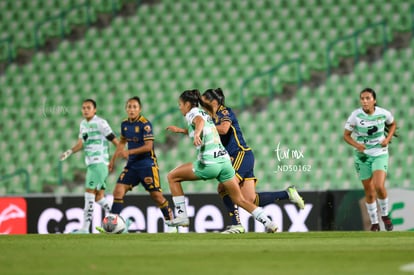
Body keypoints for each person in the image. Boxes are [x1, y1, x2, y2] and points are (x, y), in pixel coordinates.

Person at [166, 89, 278, 233]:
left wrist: (197, 135)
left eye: (180, 104)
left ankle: (181, 217)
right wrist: (182, 131)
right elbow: (204, 126)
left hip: (209, 163)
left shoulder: (192, 113)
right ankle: (269, 223)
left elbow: (198, 123)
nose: (180, 107)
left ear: (188, 104)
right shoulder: (206, 114)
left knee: (172, 177)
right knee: (240, 199)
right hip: (224, 162)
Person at [199, 88, 305, 233]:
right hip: (239, 157)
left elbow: (224, 129)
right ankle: (288, 193)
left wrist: (206, 128)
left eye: (204, 100)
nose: (201, 103)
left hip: (241, 154)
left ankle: (236, 225)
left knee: (224, 187)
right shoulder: (211, 118)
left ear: (214, 102)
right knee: (250, 200)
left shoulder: (224, 112)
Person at [96, 96, 174, 233]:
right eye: (129, 107)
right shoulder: (124, 124)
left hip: (147, 165)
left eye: (134, 107)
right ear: (126, 109)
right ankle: (113, 225)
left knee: (157, 196)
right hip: (132, 165)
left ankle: (171, 223)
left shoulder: (145, 124)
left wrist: (129, 151)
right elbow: (121, 142)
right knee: (118, 191)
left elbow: (149, 146)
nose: (131, 109)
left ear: (140, 109)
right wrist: (113, 159)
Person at [60, 99, 119, 234]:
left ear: (95, 110)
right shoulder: (83, 125)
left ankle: (85, 228)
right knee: (98, 197)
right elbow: (81, 144)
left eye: (88, 107)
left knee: (89, 194)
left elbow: (115, 141)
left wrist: (118, 157)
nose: (85, 110)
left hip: (99, 163)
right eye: (83, 108)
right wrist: (69, 152)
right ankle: (122, 220)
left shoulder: (101, 123)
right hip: (91, 164)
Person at [343, 88, 396, 232]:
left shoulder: (383, 113)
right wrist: (357, 145)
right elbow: (346, 135)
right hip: (362, 156)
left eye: (367, 98)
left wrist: (387, 139)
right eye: (362, 98)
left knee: (379, 186)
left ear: (374, 100)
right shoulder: (355, 115)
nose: (364, 101)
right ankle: (374, 223)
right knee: (369, 191)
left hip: (379, 153)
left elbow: (393, 124)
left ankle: (385, 215)